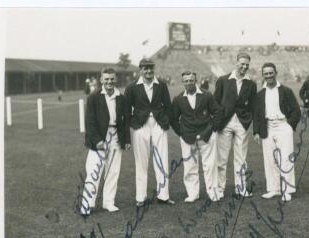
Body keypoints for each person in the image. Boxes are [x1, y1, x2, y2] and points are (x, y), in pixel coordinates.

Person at [80, 67, 131, 216]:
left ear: (115, 80)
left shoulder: (121, 98)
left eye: (112, 79)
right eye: (106, 79)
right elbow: (90, 122)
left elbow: (125, 121)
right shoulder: (94, 97)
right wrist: (97, 141)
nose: (109, 82)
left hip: (116, 137)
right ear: (101, 80)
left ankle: (109, 202)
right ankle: (87, 204)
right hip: (99, 138)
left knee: (113, 172)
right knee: (94, 171)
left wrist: (126, 139)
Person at [124, 57, 174, 206]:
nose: (148, 71)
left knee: (162, 160)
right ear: (140, 70)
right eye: (145, 68)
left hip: (158, 124)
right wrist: (134, 123)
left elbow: (168, 106)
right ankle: (141, 197)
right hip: (141, 126)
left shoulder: (162, 85)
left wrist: (165, 120)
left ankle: (163, 196)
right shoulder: (132, 87)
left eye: (151, 68)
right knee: (141, 162)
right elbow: (127, 110)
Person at [253, 63, 301, 202]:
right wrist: (256, 131)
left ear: (276, 73)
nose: (268, 76)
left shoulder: (286, 91)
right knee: (270, 160)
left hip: (282, 126)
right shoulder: (260, 94)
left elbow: (296, 111)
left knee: (285, 159)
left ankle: (287, 190)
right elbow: (257, 114)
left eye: (271, 73)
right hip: (266, 127)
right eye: (266, 74)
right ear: (263, 75)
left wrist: (289, 125)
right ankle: (274, 189)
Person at [170, 71, 221, 202]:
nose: (188, 83)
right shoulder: (178, 98)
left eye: (191, 80)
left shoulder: (206, 95)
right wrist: (181, 133)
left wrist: (212, 129)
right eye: (186, 81)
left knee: (210, 165)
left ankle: (212, 192)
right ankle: (193, 193)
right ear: (183, 82)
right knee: (189, 166)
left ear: (195, 80)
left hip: (207, 134)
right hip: (187, 136)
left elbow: (217, 112)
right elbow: (173, 119)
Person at [213, 52, 258, 198]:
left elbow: (254, 106)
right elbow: (215, 103)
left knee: (241, 159)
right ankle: (219, 189)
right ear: (236, 62)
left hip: (242, 124)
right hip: (225, 124)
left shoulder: (251, 84)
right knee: (222, 159)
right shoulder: (223, 80)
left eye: (247, 65)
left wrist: (248, 121)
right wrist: (217, 123)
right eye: (242, 63)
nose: (244, 67)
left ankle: (241, 188)